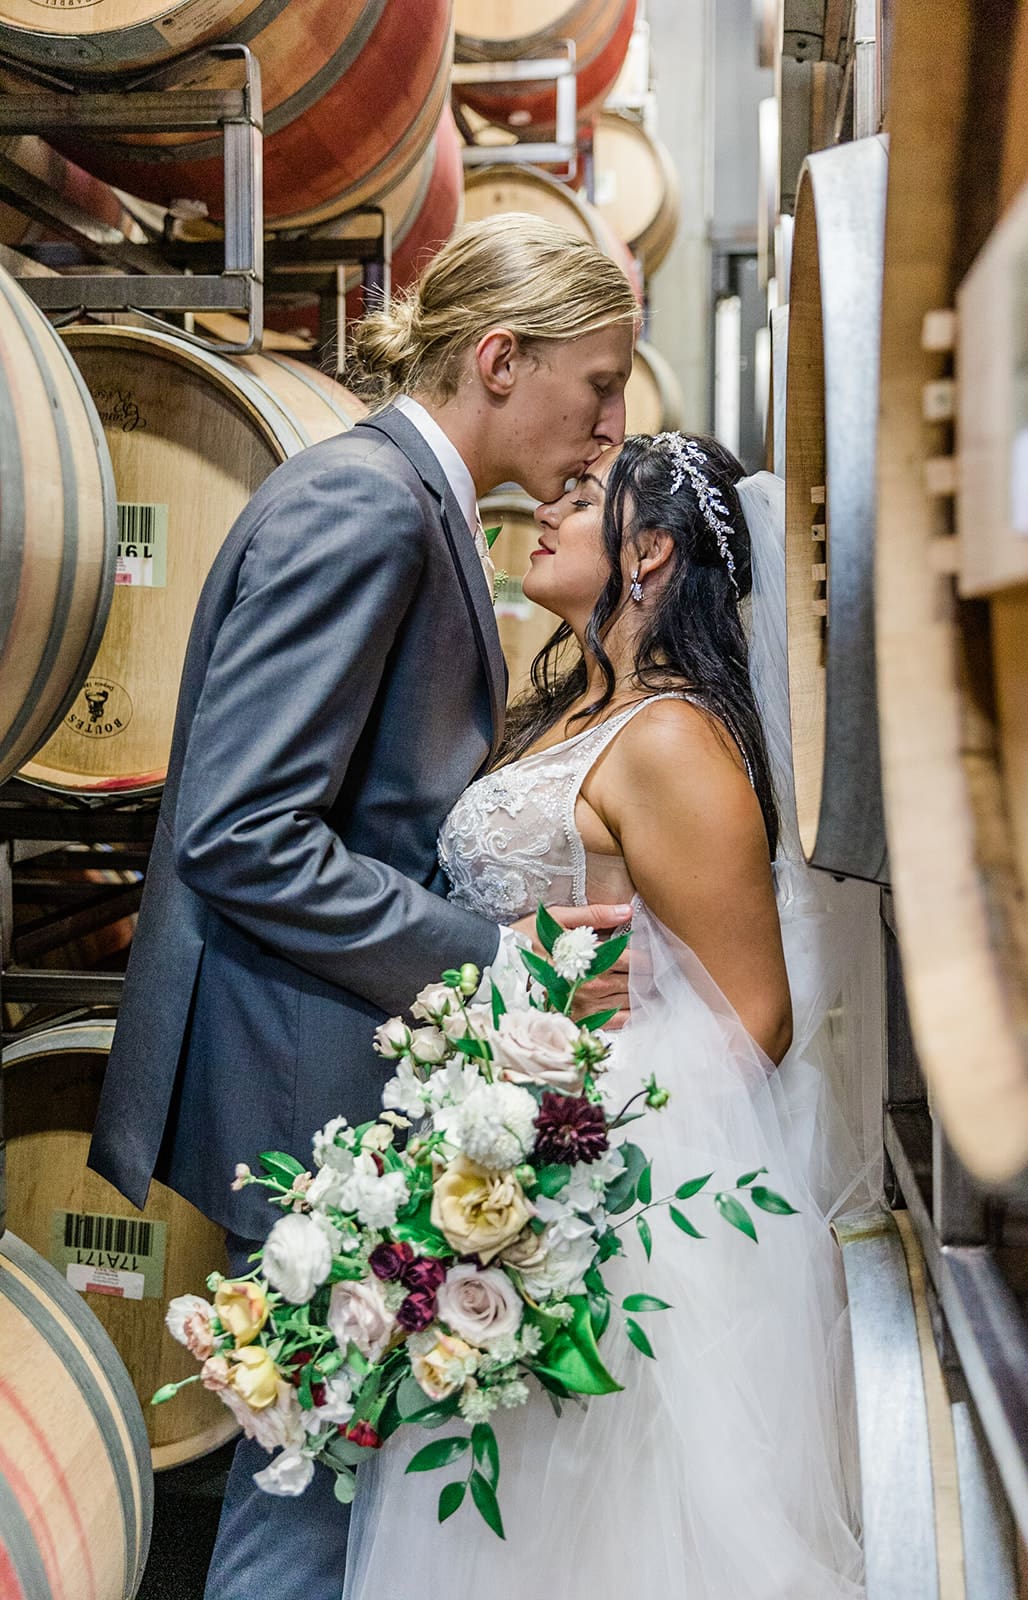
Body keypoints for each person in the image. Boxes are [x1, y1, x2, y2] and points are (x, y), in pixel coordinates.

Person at [87, 213, 640, 1600]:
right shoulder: (366, 504)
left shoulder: (408, 498)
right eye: (599, 383)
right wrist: (493, 962)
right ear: (502, 360)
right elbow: (244, 829)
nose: (609, 424)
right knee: (306, 1500)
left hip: (318, 1053)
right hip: (297, 1082)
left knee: (331, 1484)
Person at [342, 434, 881, 1599]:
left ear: (649, 550)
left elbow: (755, 1019)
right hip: (507, 1144)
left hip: (612, 1203)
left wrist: (557, 1084)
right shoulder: (578, 704)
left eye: (581, 498)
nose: (541, 508)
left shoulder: (673, 738)